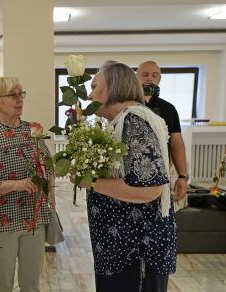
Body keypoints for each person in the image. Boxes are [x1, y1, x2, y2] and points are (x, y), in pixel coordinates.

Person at [84, 63, 176, 292]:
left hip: (135, 251)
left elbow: (150, 189)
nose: (89, 94)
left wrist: (93, 183)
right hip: (124, 247)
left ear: (113, 88)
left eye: (94, 87)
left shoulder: (134, 123)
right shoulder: (125, 122)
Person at [0, 77, 55, 292]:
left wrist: (51, 199)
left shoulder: (32, 130)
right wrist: (18, 185)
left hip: (34, 218)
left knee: (31, 284)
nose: (19, 99)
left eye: (21, 94)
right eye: (12, 95)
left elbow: (48, 166)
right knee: (3, 284)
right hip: (2, 220)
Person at [136, 61, 188, 202]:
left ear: (159, 79)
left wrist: (182, 176)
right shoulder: (127, 105)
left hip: (162, 174)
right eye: (145, 74)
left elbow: (176, 143)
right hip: (130, 176)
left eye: (154, 75)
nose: (149, 78)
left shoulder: (169, 109)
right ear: (136, 77)